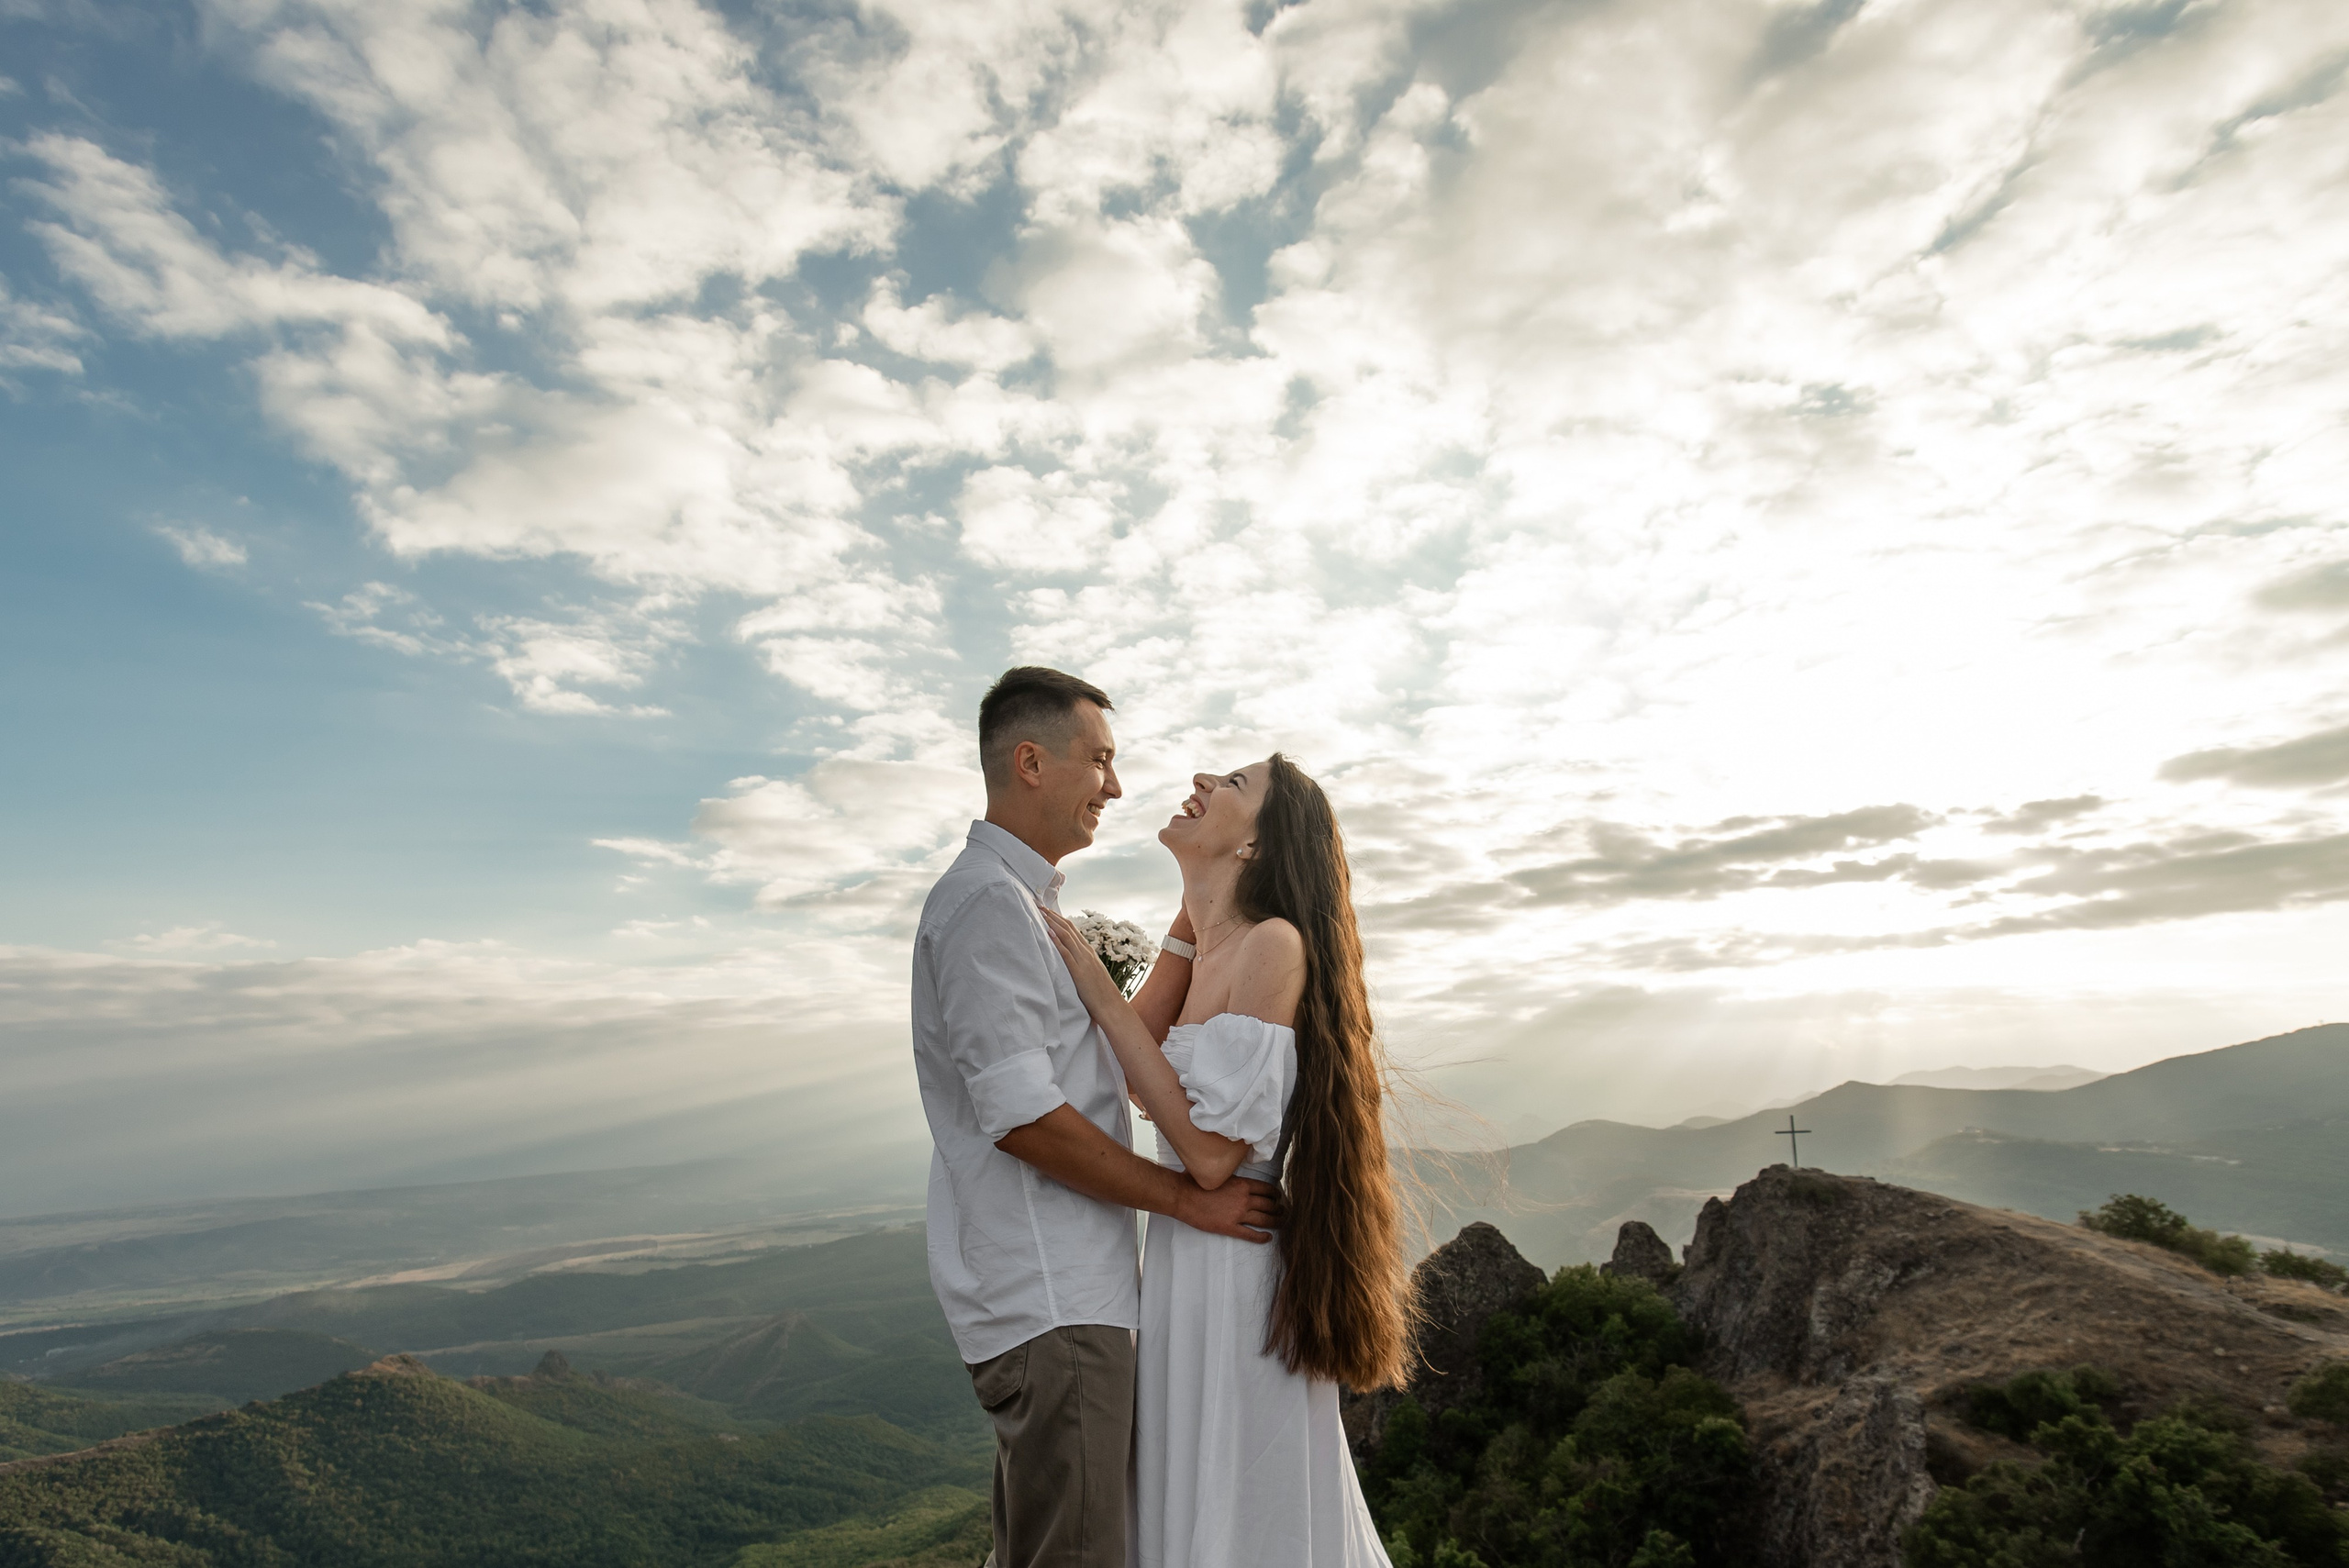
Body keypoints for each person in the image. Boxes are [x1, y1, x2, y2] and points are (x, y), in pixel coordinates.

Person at [911, 667, 1283, 1568]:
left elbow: (1108, 1068)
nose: (1114, 786)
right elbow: (1024, 1119)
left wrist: (1190, 920)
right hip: (1054, 1298)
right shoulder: (989, 906)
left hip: (1064, 1298)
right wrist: (1186, 1199)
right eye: (1101, 761)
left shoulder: (1022, 903)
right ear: (1031, 762)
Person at [1042, 753, 1409, 1568]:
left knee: (1243, 1507)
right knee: (1188, 1490)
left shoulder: (1273, 945)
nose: (1204, 779)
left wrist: (1099, 989)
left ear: (1256, 845)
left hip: (1236, 1270)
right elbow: (1130, 1075)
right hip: (1185, 1264)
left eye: (1234, 784)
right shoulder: (1212, 948)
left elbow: (1211, 1158)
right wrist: (1189, 921)